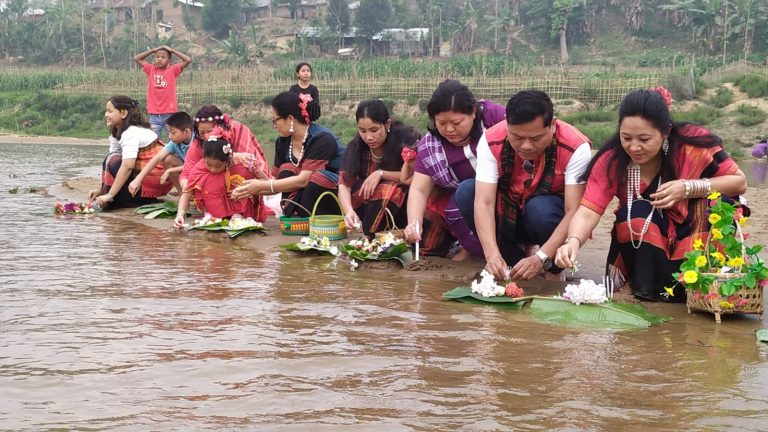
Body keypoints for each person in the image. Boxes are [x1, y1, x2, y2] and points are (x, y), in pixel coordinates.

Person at [554, 87, 748, 302]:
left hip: (694, 231)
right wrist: (572, 241)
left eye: (644, 139)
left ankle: (699, 289)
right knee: (636, 212)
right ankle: (644, 290)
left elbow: (738, 182)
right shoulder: (612, 160)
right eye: (626, 137)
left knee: (712, 208)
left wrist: (687, 188)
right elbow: (589, 210)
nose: (634, 147)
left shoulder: (691, 144)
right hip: (646, 238)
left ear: (666, 132)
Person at [464, 90, 592, 281]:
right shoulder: (490, 140)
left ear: (553, 125)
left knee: (541, 208)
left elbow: (574, 210)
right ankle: (510, 261)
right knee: (467, 192)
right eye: (517, 137)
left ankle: (554, 268)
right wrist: (492, 255)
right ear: (506, 123)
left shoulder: (576, 147)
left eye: (535, 138)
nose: (526, 146)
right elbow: (484, 202)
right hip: (510, 213)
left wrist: (541, 258)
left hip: (547, 216)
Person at [402, 79, 505, 259]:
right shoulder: (431, 146)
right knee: (456, 205)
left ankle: (523, 249)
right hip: (468, 200)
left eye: (456, 123)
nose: (449, 129)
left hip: (507, 190)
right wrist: (414, 222)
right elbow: (419, 189)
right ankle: (480, 253)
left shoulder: (494, 118)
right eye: (441, 123)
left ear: (473, 112)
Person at [231, 92, 344, 216]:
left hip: (334, 192)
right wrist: (249, 188)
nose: (274, 125)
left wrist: (261, 186)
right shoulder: (282, 142)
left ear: (290, 119)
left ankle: (320, 216)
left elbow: (303, 181)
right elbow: (275, 182)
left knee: (316, 177)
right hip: (305, 193)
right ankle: (294, 212)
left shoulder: (322, 139)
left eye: (275, 120)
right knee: (287, 169)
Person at [338, 99, 420, 236]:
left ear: (387, 124)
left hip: (404, 204)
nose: (368, 137)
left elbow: (417, 177)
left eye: (374, 130)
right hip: (368, 205)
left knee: (387, 189)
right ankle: (368, 231)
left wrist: (381, 174)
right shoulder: (356, 146)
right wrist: (348, 211)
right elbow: (344, 183)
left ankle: (372, 235)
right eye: (362, 131)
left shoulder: (405, 141)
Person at [180, 105, 271, 221]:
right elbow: (187, 175)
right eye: (201, 132)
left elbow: (264, 179)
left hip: (243, 193)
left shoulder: (243, 155)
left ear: (221, 128)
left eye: (210, 131)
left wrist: (250, 189)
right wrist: (191, 190)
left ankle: (241, 213)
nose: (206, 136)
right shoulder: (199, 150)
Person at [88, 96, 172, 210]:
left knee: (114, 161)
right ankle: (125, 196)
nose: (106, 115)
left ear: (123, 113)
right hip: (145, 173)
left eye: (110, 111)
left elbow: (127, 167)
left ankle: (140, 198)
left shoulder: (131, 133)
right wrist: (101, 190)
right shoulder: (118, 132)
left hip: (155, 176)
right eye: (106, 111)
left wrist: (109, 195)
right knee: (110, 159)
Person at [174, 134, 259, 227]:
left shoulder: (241, 162)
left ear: (227, 161)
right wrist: (180, 215)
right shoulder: (198, 169)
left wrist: (248, 190)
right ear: (204, 158)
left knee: (237, 219)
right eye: (208, 164)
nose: (213, 169)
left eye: (218, 166)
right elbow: (187, 194)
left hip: (238, 208)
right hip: (213, 212)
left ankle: (238, 216)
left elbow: (264, 180)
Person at [128, 111, 194, 197]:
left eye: (173, 133)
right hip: (186, 169)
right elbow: (157, 158)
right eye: (169, 132)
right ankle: (182, 195)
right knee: (167, 159)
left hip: (198, 171)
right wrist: (138, 179)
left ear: (186, 132)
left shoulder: (197, 143)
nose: (170, 136)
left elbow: (195, 166)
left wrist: (169, 170)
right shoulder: (174, 143)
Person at [134, 45, 192, 140]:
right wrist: (153, 50)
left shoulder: (173, 70)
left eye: (163, 57)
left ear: (169, 61)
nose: (159, 59)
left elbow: (188, 60)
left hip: (169, 113)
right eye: (157, 57)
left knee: (173, 139)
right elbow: (137, 58)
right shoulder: (151, 69)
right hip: (154, 114)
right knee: (154, 141)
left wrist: (172, 50)